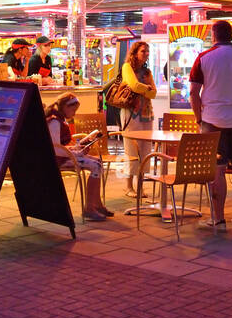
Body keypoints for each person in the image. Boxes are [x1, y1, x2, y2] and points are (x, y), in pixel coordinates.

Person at [189, 19, 232, 232]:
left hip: (213, 122)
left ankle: (218, 220)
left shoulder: (203, 58)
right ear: (231, 35)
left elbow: (194, 92)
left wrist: (199, 117)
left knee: (216, 172)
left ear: (214, 35)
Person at [45, 93, 111, 221]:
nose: (74, 114)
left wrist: (76, 148)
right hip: (57, 160)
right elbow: (54, 149)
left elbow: (58, 145)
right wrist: (76, 152)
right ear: (65, 107)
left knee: (97, 162)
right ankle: (90, 208)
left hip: (62, 156)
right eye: (73, 110)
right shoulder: (55, 122)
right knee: (95, 165)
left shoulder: (57, 119)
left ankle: (96, 204)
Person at [120, 40, 157, 198]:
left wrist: (146, 89)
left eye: (148, 51)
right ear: (135, 53)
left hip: (146, 113)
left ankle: (140, 186)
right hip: (131, 113)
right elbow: (134, 86)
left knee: (145, 150)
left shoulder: (147, 72)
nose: (146, 54)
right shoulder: (127, 67)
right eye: (143, 51)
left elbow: (153, 93)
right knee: (131, 149)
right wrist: (146, 88)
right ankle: (129, 187)